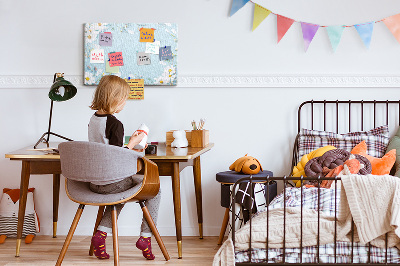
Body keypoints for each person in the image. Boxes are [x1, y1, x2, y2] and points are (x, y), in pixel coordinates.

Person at [88, 75, 161, 260]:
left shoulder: (93, 120)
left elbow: (106, 149)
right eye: (124, 99)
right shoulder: (115, 124)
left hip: (94, 182)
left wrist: (131, 145)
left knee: (119, 194)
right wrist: (134, 143)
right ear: (115, 99)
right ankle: (146, 237)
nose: (124, 103)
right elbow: (117, 156)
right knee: (154, 189)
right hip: (111, 182)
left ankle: (101, 235)